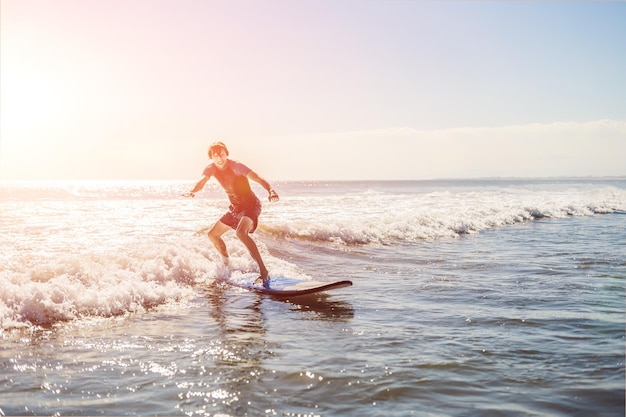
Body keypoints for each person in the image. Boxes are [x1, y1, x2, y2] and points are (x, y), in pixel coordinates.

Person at [183, 142, 279, 287]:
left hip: (251, 205)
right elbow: (202, 180)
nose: (220, 158)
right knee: (212, 234)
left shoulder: (236, 166)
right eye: (216, 156)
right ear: (211, 158)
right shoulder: (211, 169)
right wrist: (193, 191)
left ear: (226, 154)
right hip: (235, 208)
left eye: (222, 154)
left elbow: (257, 177)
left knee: (241, 233)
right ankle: (227, 264)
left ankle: (264, 271)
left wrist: (270, 190)